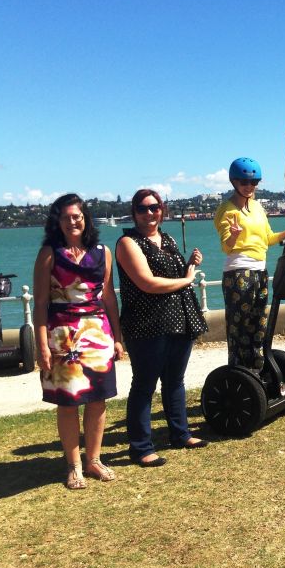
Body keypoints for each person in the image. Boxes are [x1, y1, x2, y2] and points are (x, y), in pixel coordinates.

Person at [33, 193, 123, 489]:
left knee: (98, 400)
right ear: (57, 222)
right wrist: (42, 345)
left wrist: (118, 338)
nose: (73, 221)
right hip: (62, 338)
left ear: (85, 219)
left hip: (97, 334)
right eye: (66, 217)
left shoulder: (102, 251)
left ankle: (94, 459)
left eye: (78, 216)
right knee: (68, 403)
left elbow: (108, 297)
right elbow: (41, 304)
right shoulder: (49, 253)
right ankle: (73, 465)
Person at [115, 189, 209, 467]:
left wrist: (190, 266)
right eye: (142, 209)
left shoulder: (166, 239)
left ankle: (180, 434)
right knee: (144, 385)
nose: (149, 213)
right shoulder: (128, 243)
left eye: (154, 207)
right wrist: (187, 280)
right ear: (134, 213)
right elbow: (147, 283)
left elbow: (173, 275)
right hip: (146, 325)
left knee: (175, 381)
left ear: (162, 210)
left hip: (179, 319)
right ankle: (141, 446)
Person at [214, 157, 285, 369]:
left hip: (259, 270)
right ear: (233, 182)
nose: (249, 187)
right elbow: (226, 246)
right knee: (239, 326)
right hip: (239, 271)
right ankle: (239, 370)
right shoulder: (226, 209)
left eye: (254, 183)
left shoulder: (257, 207)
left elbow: (268, 238)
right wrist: (234, 236)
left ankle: (257, 368)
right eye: (243, 182)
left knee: (258, 324)